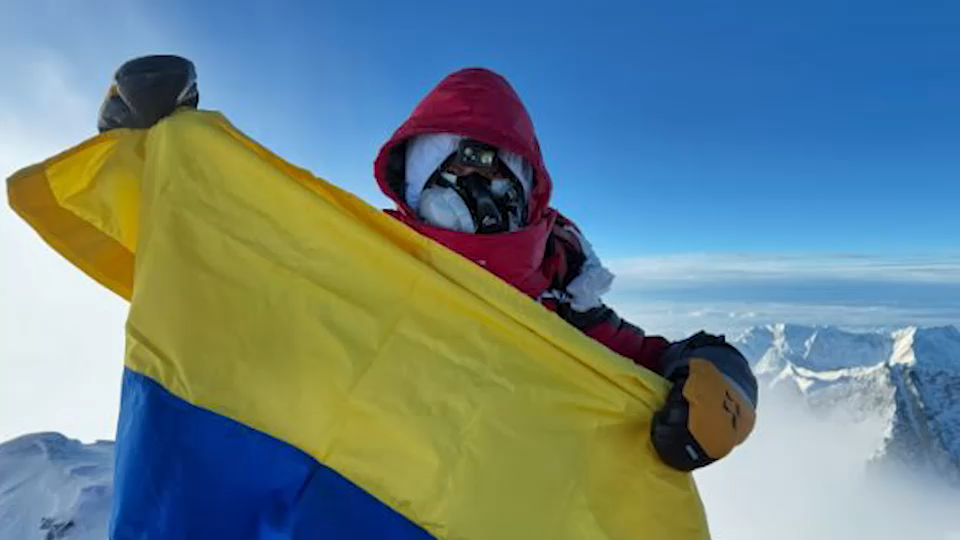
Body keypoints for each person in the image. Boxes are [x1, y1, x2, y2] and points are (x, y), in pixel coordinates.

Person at [99, 55, 758, 472]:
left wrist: (721, 384)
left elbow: (670, 360)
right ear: (414, 186)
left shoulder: (565, 310)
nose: (474, 190)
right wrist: (156, 160)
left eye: (494, 169)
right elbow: (228, 268)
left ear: (528, 189)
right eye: (451, 170)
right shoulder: (353, 263)